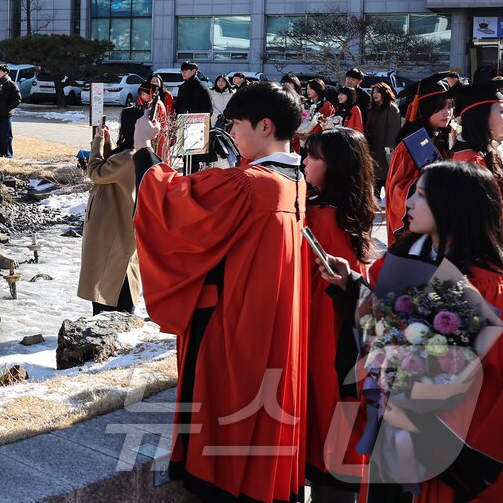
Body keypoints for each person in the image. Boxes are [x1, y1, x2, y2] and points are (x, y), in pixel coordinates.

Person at [131, 82, 309, 503]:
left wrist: (143, 149)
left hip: (234, 319)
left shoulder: (251, 184)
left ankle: (222, 482)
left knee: (226, 408)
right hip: (273, 318)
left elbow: (175, 205)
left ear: (265, 126)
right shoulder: (294, 179)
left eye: (237, 123)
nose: (231, 131)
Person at [319, 161, 503, 502]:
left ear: (452, 206)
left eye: (421, 195)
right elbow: (380, 326)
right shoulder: (405, 258)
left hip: (446, 440)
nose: (407, 202)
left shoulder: (484, 284)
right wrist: (352, 286)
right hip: (394, 429)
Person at [300, 129, 376, 498]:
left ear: (337, 167)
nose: (304, 162)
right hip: (350, 336)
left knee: (325, 415)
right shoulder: (351, 214)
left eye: (314, 157)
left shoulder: (316, 217)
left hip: (324, 334)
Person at [78, 105, 143, 315]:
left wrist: (97, 141)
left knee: (108, 274)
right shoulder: (131, 154)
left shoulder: (127, 158)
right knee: (116, 270)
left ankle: (109, 320)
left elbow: (96, 172)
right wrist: (106, 142)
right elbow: (111, 165)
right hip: (115, 221)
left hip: (109, 226)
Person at [384, 73, 456, 244]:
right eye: (440, 108)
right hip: (419, 227)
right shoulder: (410, 145)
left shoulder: (446, 138)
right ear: (425, 109)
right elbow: (396, 190)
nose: (447, 113)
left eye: (450, 107)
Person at [174, 61, 215, 172]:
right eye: (182, 71)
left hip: (197, 128)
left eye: (186, 70)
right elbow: (179, 107)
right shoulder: (182, 87)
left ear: (194, 71)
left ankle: (194, 181)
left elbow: (209, 110)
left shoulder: (202, 87)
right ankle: (187, 181)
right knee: (186, 159)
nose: (183, 73)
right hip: (184, 126)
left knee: (195, 159)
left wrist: (195, 118)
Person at [364, 83, 402, 196]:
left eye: (377, 92)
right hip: (373, 146)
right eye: (373, 92)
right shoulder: (373, 108)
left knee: (385, 175)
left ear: (385, 93)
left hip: (385, 148)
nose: (374, 94)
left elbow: (394, 129)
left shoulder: (392, 109)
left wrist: (389, 148)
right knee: (374, 176)